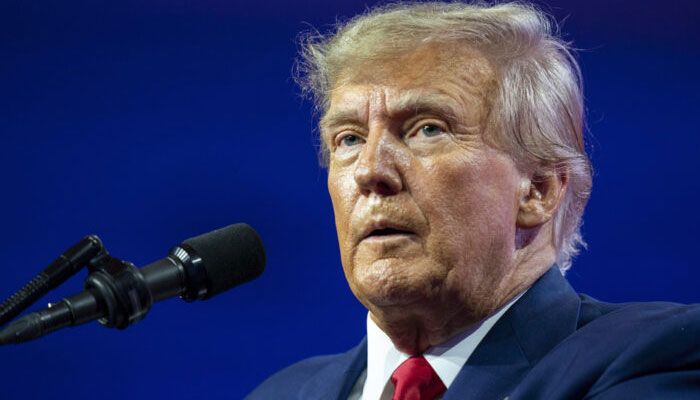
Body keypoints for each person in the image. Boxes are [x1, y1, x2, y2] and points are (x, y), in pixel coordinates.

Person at [247, 2, 700, 399]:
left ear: (538, 189)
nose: (369, 171)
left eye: (427, 129)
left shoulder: (649, 357)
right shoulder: (281, 393)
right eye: (348, 139)